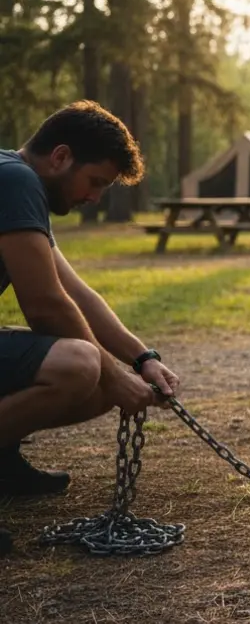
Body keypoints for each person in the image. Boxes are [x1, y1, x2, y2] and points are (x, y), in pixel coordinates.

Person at [0, 101, 181, 501]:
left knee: (98, 384)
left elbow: (75, 292)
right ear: (61, 156)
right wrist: (114, 376)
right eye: (95, 181)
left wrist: (142, 359)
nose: (95, 197)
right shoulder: (15, 181)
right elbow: (45, 306)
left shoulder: (15, 179)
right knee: (81, 366)